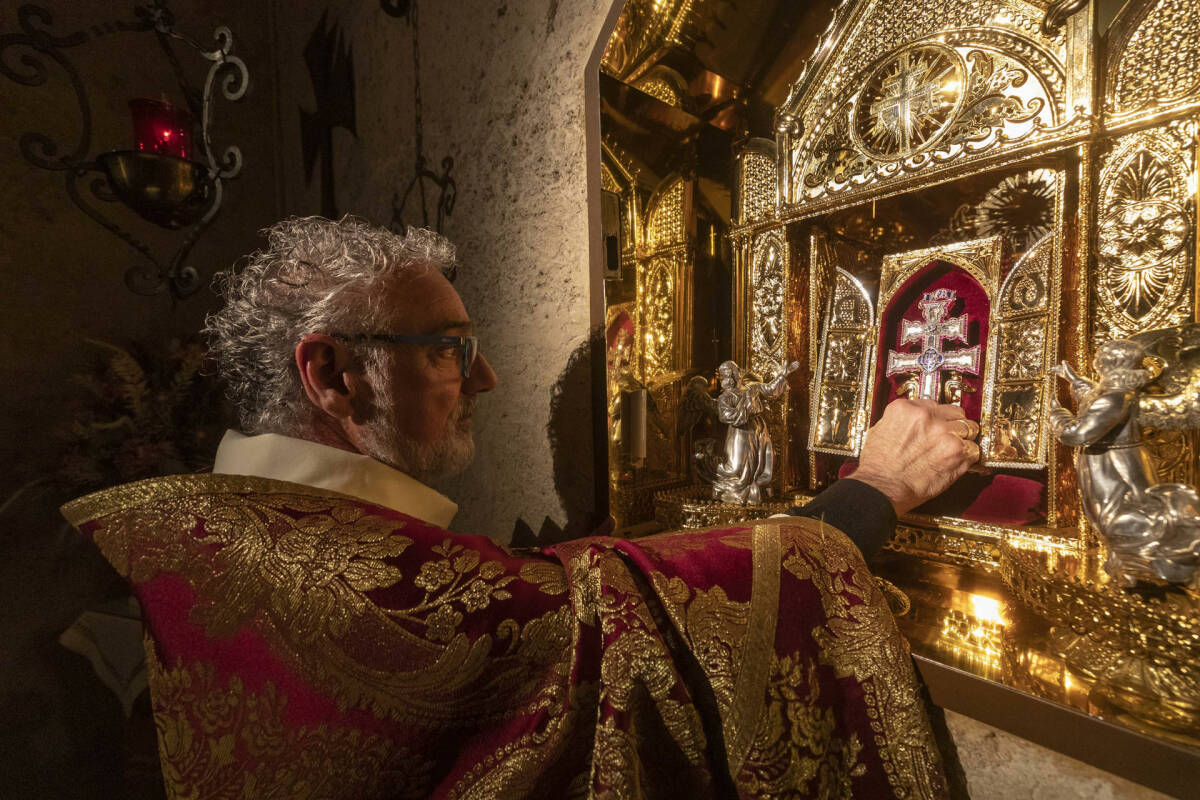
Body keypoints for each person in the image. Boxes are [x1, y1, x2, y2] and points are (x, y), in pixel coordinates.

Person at [64, 216, 979, 799]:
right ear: (334, 374)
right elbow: (594, 625)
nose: (487, 380)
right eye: (450, 352)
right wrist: (875, 491)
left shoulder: (226, 526)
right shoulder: (323, 572)